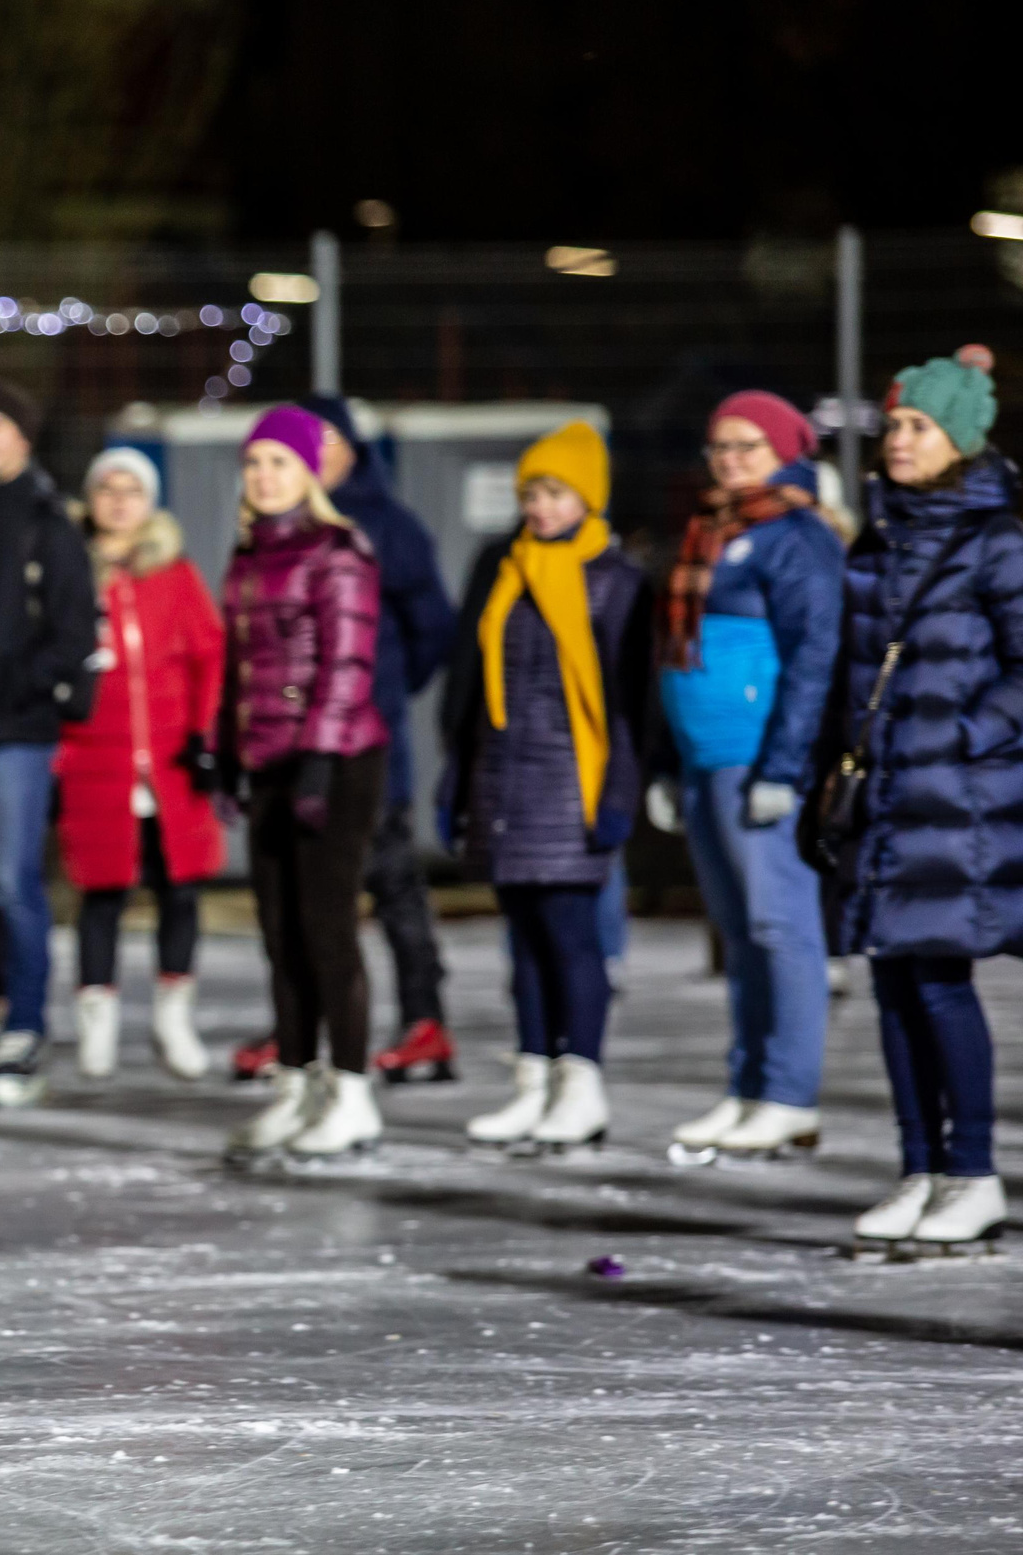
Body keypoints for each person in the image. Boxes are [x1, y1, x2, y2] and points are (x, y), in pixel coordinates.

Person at [835, 353, 1018, 1251]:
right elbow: (848, 670)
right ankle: (920, 1167)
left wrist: (968, 736)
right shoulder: (877, 538)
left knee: (940, 980)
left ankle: (975, 1171)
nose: (897, 439)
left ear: (960, 439)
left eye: (917, 427)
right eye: (894, 425)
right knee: (891, 979)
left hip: (957, 801)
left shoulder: (997, 542)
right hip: (887, 794)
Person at [442, 423, 652, 1153]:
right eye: (530, 491)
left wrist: (620, 792)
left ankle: (581, 1079)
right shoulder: (505, 567)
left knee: (570, 937)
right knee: (522, 940)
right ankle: (532, 1078)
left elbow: (630, 701)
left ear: (587, 497)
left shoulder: (617, 581)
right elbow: (475, 686)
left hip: (573, 781)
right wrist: (460, 781)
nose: (538, 506)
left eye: (554, 491)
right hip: (505, 778)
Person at [651, 392, 841, 1159]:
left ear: (787, 453)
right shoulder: (711, 532)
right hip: (706, 759)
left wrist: (784, 764)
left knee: (779, 925)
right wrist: (669, 759)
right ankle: (749, 1084)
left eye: (747, 446)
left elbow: (813, 655)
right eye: (720, 446)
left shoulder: (795, 536)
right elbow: (676, 656)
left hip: (759, 759)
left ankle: (789, 1092)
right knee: (739, 932)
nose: (730, 460)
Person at [216, 406, 389, 1159]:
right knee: (280, 934)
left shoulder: (338, 552)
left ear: (309, 473)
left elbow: (347, 665)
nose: (264, 476)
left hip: (337, 760)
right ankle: (296, 1081)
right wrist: (226, 748)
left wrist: (319, 759)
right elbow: (240, 666)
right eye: (254, 463)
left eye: (279, 462)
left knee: (326, 930)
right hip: (270, 759)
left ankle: (351, 1092)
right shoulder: (249, 553)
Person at [0, 379, 98, 1105]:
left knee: (9, 882)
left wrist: (15, 689)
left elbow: (73, 636)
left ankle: (25, 1024)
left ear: (24, 436)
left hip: (16, 737)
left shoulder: (49, 523)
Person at [295, 395, 459, 1084]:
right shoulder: (286, 526)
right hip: (297, 741)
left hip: (368, 739)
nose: (317, 451)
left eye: (329, 438)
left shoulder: (389, 527)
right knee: (302, 887)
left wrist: (383, 690)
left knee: (392, 880)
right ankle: (298, 1026)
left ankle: (424, 1018)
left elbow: (434, 628)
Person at [57, 445, 223, 1085]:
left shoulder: (175, 574)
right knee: (103, 893)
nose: (119, 502)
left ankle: (173, 1016)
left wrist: (204, 735)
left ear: (149, 503)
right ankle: (96, 1023)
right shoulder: (72, 572)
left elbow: (209, 655)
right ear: (92, 500)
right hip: (98, 765)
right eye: (107, 489)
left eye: (132, 490)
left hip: (173, 767)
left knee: (180, 890)